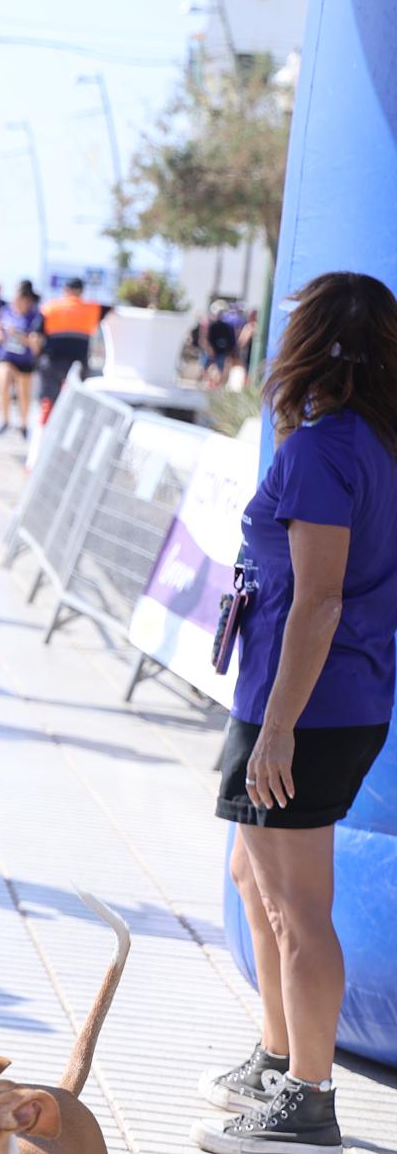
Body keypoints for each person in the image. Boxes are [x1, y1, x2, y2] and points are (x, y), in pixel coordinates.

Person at [193, 272, 397, 1154]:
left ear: (313, 342)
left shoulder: (329, 451)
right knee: (254, 877)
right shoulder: (353, 442)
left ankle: (309, 1100)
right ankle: (280, 1057)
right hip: (307, 698)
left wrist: (276, 727)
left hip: (306, 706)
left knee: (295, 907)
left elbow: (317, 600)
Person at [37, 276, 101, 421]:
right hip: (77, 365)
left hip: (52, 361)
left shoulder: (50, 307)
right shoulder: (92, 308)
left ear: (66, 290)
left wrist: (37, 356)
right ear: (82, 291)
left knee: (49, 399)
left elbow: (36, 335)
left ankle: (44, 428)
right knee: (74, 401)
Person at [0, 279, 44, 438]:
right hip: (6, 357)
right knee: (3, 383)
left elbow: (37, 346)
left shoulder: (36, 317)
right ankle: (5, 420)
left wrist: (21, 337)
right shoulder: (6, 310)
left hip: (25, 361)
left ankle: (23, 424)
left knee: (23, 394)